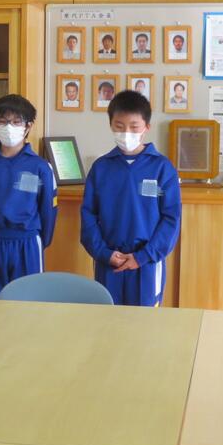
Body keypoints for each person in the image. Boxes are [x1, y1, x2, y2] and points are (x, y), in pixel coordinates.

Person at [80, 91, 181, 306]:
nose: (126, 133)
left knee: (144, 321)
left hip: (146, 264)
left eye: (134, 127)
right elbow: (88, 215)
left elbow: (171, 219)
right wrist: (104, 253)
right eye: (119, 126)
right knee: (107, 318)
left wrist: (143, 256)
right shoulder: (101, 168)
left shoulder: (162, 168)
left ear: (146, 127)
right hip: (109, 261)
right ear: (110, 125)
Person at [0, 94, 58, 299]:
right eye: (3, 121)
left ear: (28, 126)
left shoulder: (41, 167)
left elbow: (48, 210)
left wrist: (39, 241)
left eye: (16, 122)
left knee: (29, 299)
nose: (9, 127)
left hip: (28, 242)